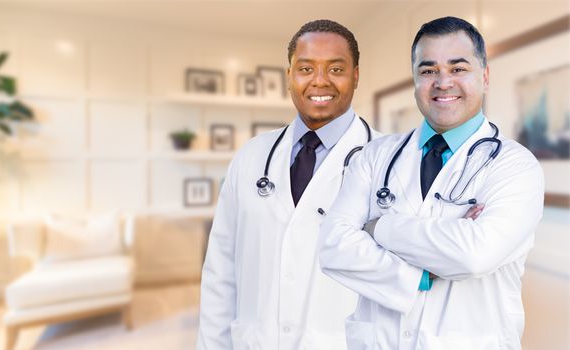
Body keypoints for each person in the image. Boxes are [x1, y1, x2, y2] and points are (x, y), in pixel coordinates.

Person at [319, 16, 544, 350]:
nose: (442, 82)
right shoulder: (374, 156)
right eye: (428, 71)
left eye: (458, 68)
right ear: (415, 80)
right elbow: (333, 246)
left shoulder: (515, 165)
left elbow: (474, 255)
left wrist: (379, 228)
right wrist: (419, 275)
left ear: (484, 76)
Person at [197, 19, 378, 350]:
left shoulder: (389, 163)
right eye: (306, 68)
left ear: (355, 76)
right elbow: (221, 273)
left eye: (336, 69)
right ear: (289, 77)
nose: (319, 81)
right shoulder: (251, 157)